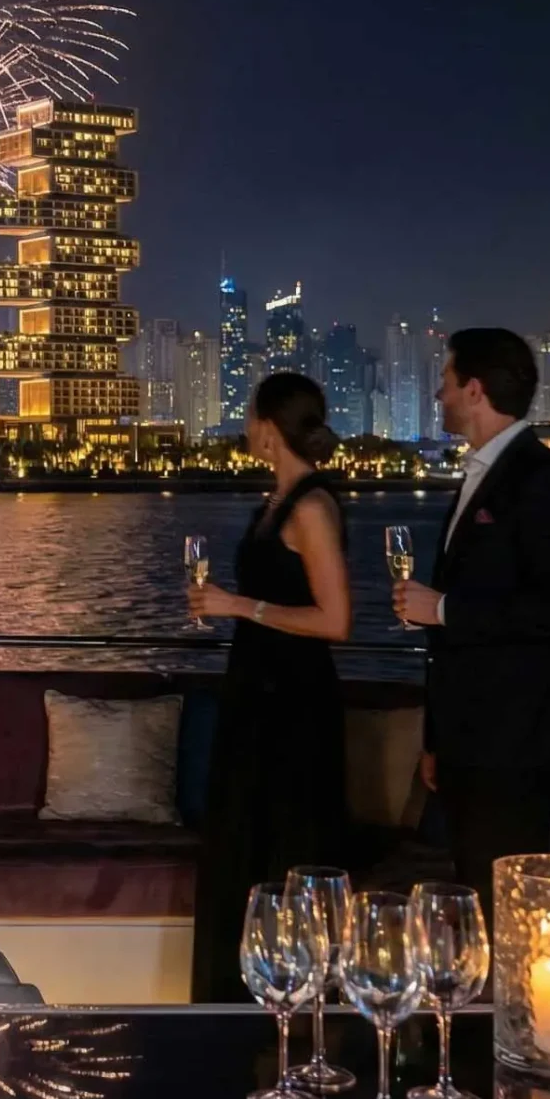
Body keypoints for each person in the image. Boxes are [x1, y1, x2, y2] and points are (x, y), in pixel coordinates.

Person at [394, 328, 550, 909]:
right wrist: (437, 739)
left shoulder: (543, 480)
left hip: (516, 743)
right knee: (474, 890)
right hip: (468, 740)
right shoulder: (481, 473)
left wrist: (442, 608)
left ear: (475, 390)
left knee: (505, 899)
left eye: (446, 380)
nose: (438, 394)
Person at [185, 372, 354, 1002]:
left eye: (250, 415)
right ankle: (236, 1013)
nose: (244, 426)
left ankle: (294, 1013)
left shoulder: (311, 507)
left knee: (286, 848)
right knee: (244, 851)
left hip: (293, 707)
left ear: (269, 427)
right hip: (255, 698)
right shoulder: (274, 503)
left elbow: (336, 621)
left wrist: (238, 605)